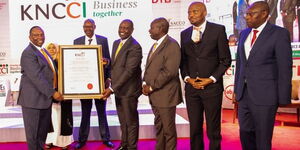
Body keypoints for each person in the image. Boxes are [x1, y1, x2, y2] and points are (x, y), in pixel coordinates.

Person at [234, 1, 292, 150]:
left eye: (251, 14)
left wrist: (284, 97)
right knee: (245, 132)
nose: (246, 17)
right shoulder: (244, 33)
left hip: (266, 95)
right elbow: (240, 63)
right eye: (246, 13)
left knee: (262, 138)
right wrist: (236, 90)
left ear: (264, 14)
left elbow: (285, 68)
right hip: (244, 94)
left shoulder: (279, 34)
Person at [180, 2, 232, 150]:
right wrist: (187, 79)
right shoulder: (184, 34)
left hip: (212, 89)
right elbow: (183, 62)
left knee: (213, 129)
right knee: (194, 128)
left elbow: (225, 60)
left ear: (204, 12)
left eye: (195, 12)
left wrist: (211, 79)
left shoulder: (218, 30)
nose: (191, 15)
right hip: (192, 89)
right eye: (189, 12)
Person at [18, 26, 63, 150]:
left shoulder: (43, 51)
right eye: (35, 35)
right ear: (29, 37)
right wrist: (53, 93)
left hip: (44, 101)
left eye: (41, 34)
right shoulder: (28, 53)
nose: (39, 37)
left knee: (41, 135)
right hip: (33, 101)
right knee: (34, 136)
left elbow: (51, 72)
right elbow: (37, 77)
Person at [102, 19, 142, 150]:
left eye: (126, 28)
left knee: (131, 122)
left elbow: (129, 71)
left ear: (132, 30)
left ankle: (131, 147)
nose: (122, 30)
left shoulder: (135, 46)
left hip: (129, 91)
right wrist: (106, 62)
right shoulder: (116, 43)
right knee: (123, 120)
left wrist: (112, 88)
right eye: (121, 27)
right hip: (119, 90)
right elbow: (117, 65)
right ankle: (124, 144)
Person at [142, 17, 182, 150]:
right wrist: (144, 83)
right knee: (159, 127)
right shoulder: (155, 44)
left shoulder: (172, 45)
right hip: (155, 96)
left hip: (166, 96)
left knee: (168, 131)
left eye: (152, 27)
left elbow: (169, 72)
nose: (149, 30)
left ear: (161, 28)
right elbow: (150, 68)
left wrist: (151, 86)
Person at [73, 19, 114, 149]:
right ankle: (82, 140)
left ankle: (106, 138)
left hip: (100, 83)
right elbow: (75, 61)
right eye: (85, 27)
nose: (88, 29)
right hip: (84, 83)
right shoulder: (77, 41)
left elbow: (108, 61)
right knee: (85, 112)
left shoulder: (103, 40)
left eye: (90, 26)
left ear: (94, 27)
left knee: (102, 112)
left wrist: (108, 77)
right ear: (83, 28)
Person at [45, 43, 73, 150]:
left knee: (63, 119)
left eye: (54, 48)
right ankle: (50, 140)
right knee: (50, 119)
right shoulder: (45, 62)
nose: (52, 50)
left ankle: (63, 142)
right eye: (49, 48)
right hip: (49, 95)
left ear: (58, 50)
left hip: (64, 95)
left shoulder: (64, 62)